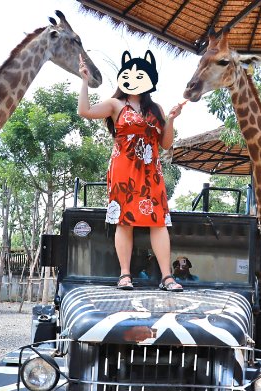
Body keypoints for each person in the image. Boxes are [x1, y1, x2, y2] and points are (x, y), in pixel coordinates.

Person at [77, 50, 184, 292]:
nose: (134, 79)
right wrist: (84, 81)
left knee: (158, 222)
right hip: (123, 170)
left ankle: (167, 277)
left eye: (140, 75)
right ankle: (125, 275)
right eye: (129, 74)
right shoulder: (115, 104)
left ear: (150, 78)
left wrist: (172, 120)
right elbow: (84, 111)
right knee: (124, 222)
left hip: (151, 171)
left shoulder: (155, 108)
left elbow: (165, 144)